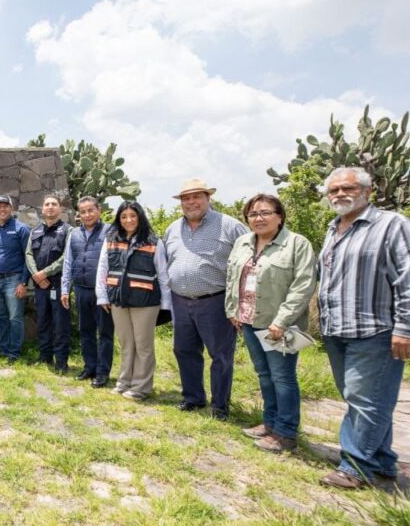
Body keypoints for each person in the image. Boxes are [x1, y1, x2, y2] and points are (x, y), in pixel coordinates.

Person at [316, 167, 410, 489]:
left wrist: (407, 327)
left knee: (366, 401)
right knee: (363, 399)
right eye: (333, 190)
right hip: (338, 329)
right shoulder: (334, 228)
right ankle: (382, 460)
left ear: (367, 191)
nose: (338, 195)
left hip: (374, 330)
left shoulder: (392, 225)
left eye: (346, 188)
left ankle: (354, 467)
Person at [225, 194, 316, 452]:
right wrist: (233, 310)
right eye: (253, 214)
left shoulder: (296, 244)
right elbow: (233, 278)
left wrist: (282, 320)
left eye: (265, 213)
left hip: (278, 324)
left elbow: (303, 285)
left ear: (280, 216)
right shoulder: (243, 242)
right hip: (249, 319)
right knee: (264, 375)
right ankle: (269, 423)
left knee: (282, 376)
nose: (259, 218)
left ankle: (286, 433)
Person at [163, 178, 246, 420]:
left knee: (220, 354)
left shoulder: (230, 226)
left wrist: (241, 303)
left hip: (215, 301)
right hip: (180, 299)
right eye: (186, 198)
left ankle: (220, 406)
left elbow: (249, 261)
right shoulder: (172, 229)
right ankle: (193, 398)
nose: (191, 202)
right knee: (184, 350)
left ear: (208, 198)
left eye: (196, 196)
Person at [95, 202, 171, 400]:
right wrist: (102, 295)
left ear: (140, 217)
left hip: (146, 301)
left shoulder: (154, 241)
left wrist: (166, 305)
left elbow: (162, 274)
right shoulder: (111, 239)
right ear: (119, 219)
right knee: (126, 343)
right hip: (118, 300)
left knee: (143, 345)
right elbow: (103, 268)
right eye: (124, 216)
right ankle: (124, 382)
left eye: (132, 216)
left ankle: (141, 387)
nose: (128, 220)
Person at [61, 196, 115, 386]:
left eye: (90, 210)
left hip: (103, 293)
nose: (87, 214)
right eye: (83, 211)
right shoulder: (74, 233)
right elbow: (68, 262)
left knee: (105, 333)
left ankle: (103, 372)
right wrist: (65, 289)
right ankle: (89, 367)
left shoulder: (110, 231)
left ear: (99, 210)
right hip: (81, 290)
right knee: (86, 331)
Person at [0, 194, 31, 362]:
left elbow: (28, 257)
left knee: (15, 317)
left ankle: (14, 352)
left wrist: (24, 282)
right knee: (1, 316)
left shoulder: (21, 228)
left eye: (5, 206)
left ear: (11, 208)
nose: (2, 209)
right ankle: (4, 349)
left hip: (14, 279)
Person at [26, 194, 71, 372]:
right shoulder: (35, 231)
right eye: (47, 204)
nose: (50, 207)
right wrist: (37, 275)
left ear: (60, 209)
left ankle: (61, 361)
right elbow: (28, 254)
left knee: (60, 324)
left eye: (54, 204)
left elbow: (66, 257)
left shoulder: (68, 231)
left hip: (58, 285)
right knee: (43, 322)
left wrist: (45, 273)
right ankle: (45, 357)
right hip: (40, 287)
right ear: (42, 209)